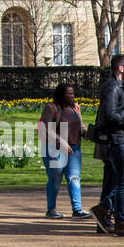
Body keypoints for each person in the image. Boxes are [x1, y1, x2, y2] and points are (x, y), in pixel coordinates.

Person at [91, 54, 124, 237]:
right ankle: (121, 222)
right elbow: (109, 116)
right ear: (121, 68)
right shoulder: (112, 87)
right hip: (119, 141)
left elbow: (119, 111)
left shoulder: (120, 87)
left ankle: (104, 210)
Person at [36, 83, 90, 219]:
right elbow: (46, 130)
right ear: (61, 94)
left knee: (74, 178)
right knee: (55, 179)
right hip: (54, 149)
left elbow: (80, 125)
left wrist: (87, 133)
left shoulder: (75, 108)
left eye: (73, 93)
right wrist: (62, 143)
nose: (72, 96)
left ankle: (77, 210)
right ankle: (51, 209)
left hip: (74, 149)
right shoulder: (51, 108)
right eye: (69, 93)